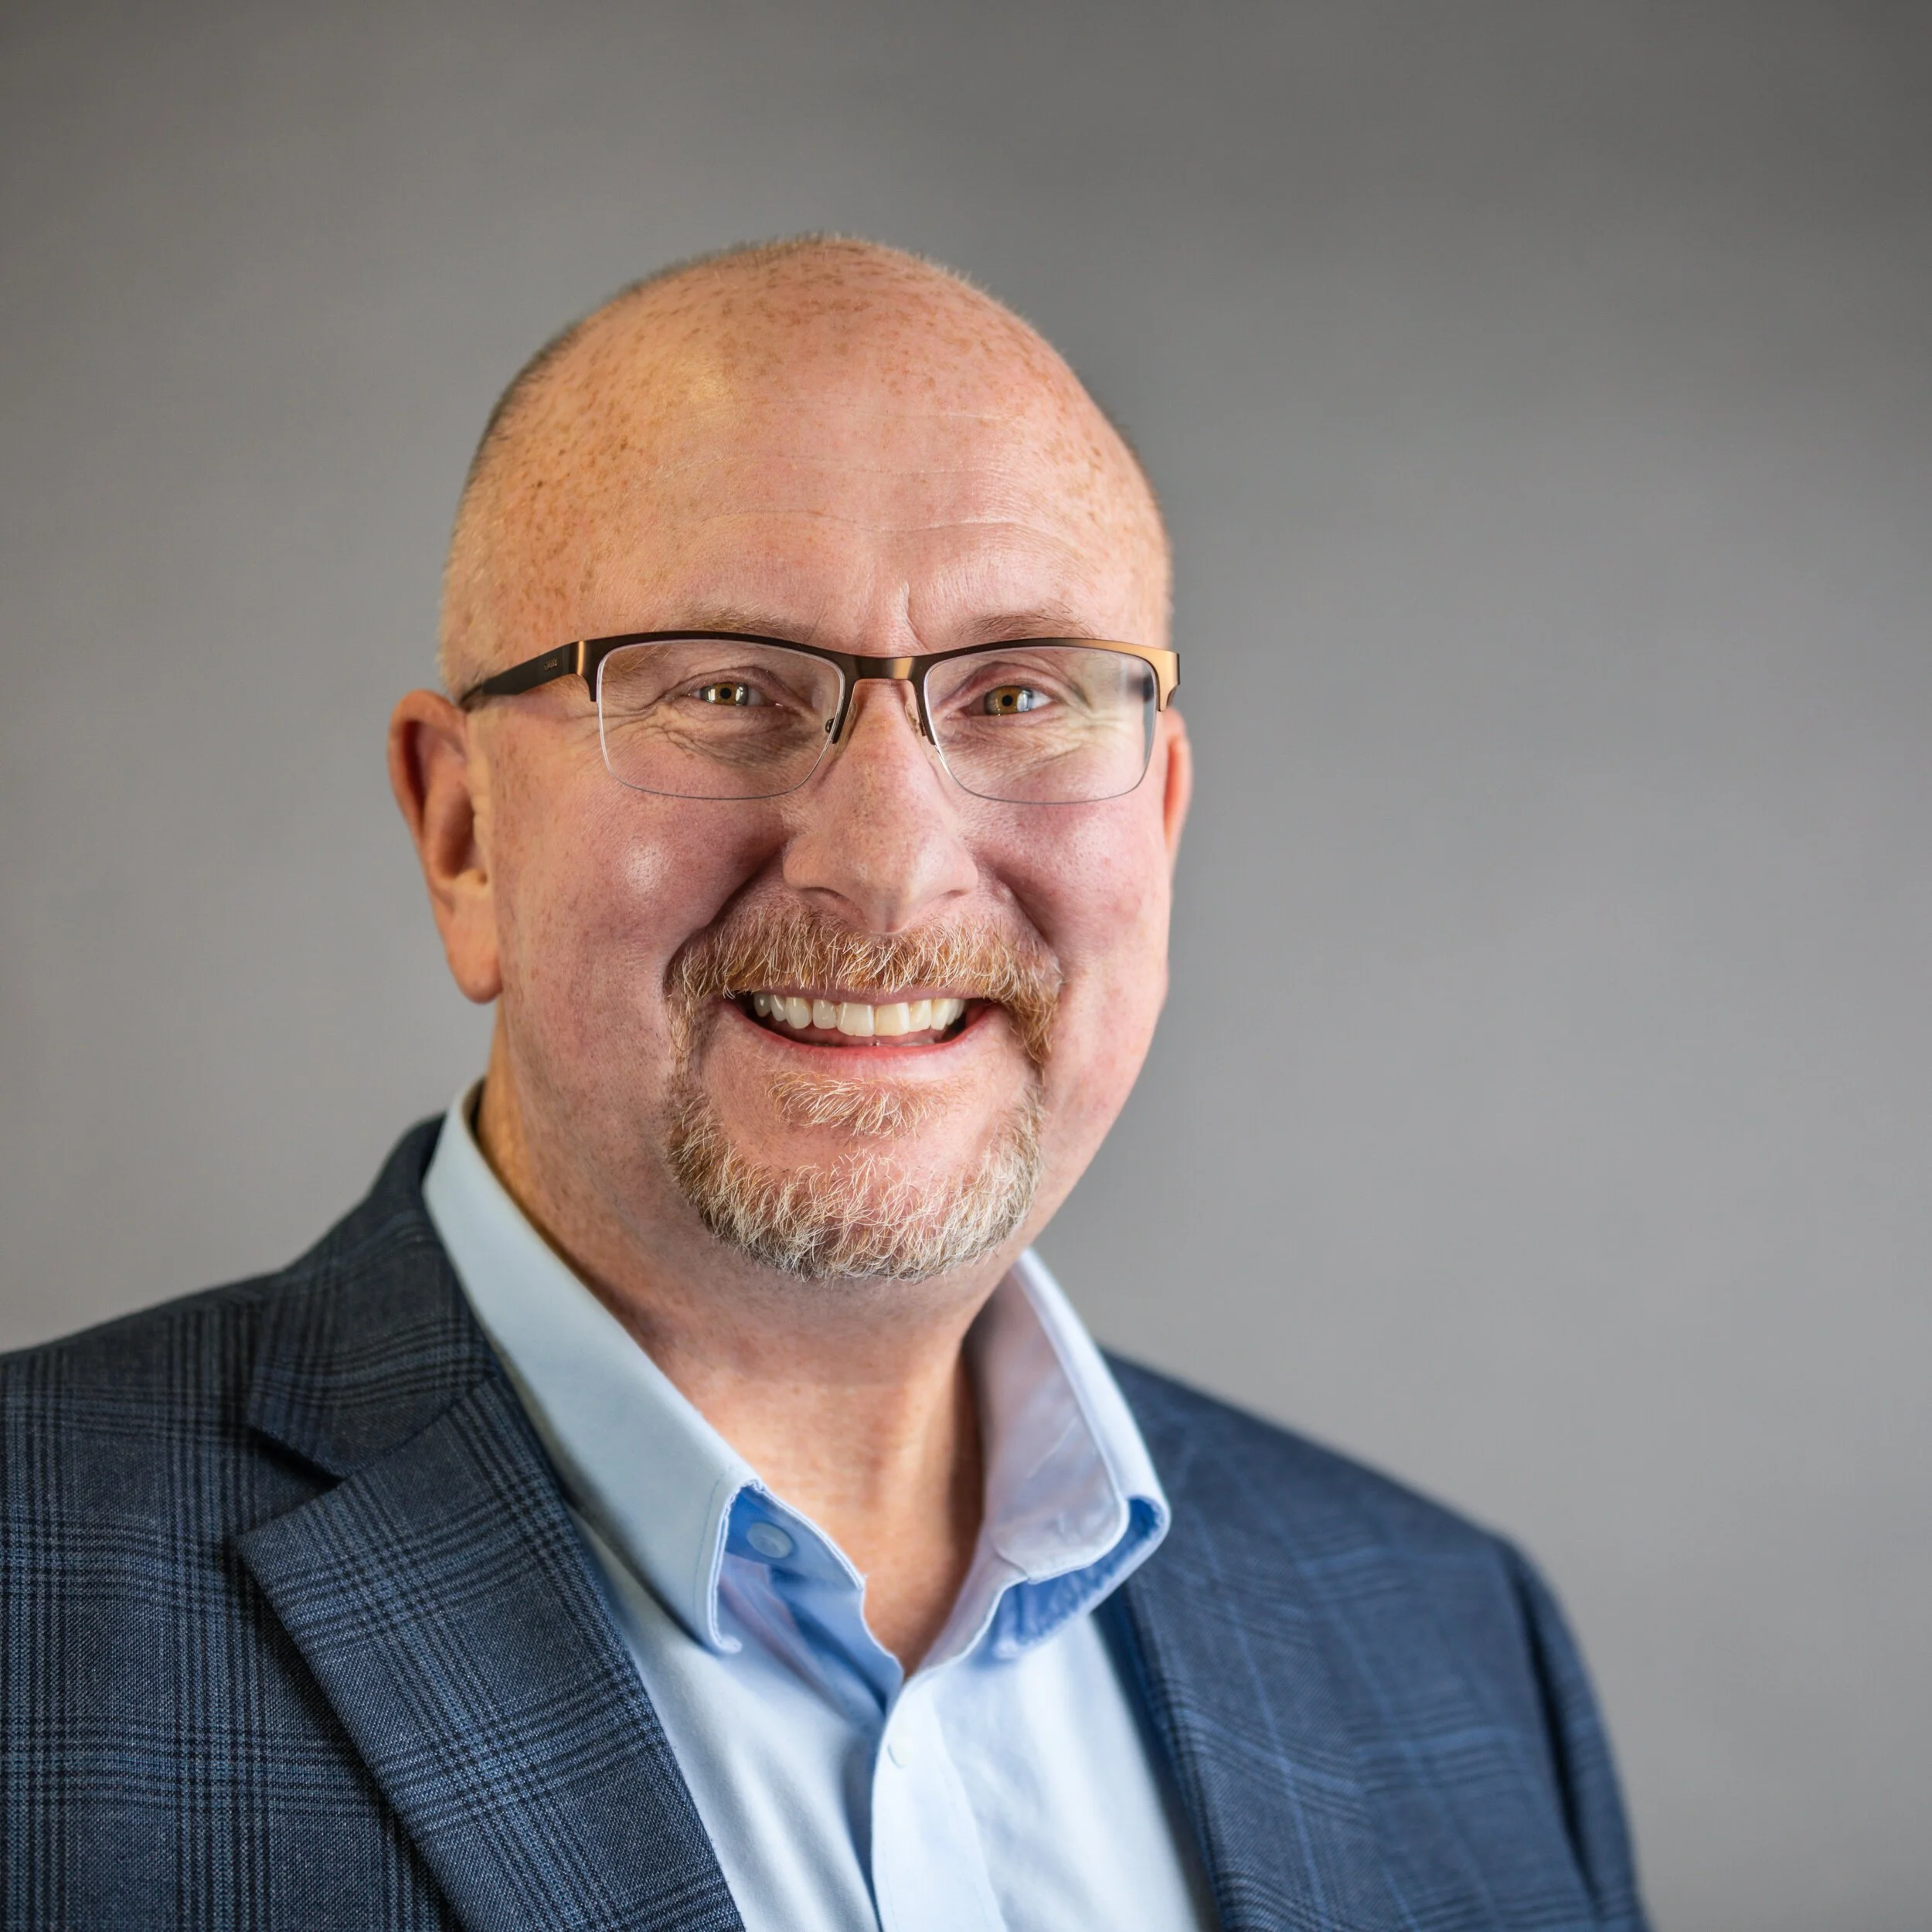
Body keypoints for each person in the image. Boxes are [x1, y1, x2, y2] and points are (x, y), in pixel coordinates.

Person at [0, 237, 1648, 1931]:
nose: (887, 867)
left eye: (1020, 693)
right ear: (463, 830)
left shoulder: (1452, 1643)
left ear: (1154, 823)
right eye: (724, 688)